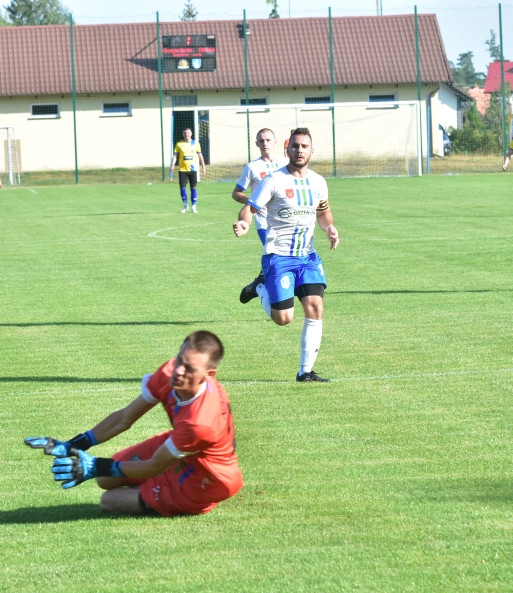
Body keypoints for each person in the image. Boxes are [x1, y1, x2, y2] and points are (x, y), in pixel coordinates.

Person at [25, 331, 242, 516]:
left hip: (207, 480)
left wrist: (94, 466)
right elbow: (124, 418)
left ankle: (187, 498)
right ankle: (154, 485)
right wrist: (74, 444)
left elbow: (154, 465)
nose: (178, 371)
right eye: (179, 360)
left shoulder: (200, 423)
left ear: (208, 375)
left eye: (189, 368)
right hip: (179, 446)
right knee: (104, 479)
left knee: (109, 500)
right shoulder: (168, 374)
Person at [233, 128, 339, 382]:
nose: (299, 151)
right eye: (295, 146)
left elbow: (323, 213)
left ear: (312, 150)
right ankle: (260, 286)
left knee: (315, 307)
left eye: (304, 146)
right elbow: (250, 208)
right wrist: (245, 224)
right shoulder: (274, 180)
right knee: (284, 318)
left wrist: (330, 228)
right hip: (279, 257)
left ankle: (305, 372)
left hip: (307, 257)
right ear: (287, 149)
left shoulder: (318, 182)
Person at [232, 128, 288, 303]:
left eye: (268, 140)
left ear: (275, 142)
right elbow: (236, 193)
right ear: (257, 144)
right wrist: (253, 199)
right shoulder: (252, 167)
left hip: (285, 221)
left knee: (282, 258)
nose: (265, 144)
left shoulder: (286, 163)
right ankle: (273, 297)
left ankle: (258, 283)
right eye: (261, 141)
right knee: (277, 258)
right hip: (263, 222)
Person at [170, 127, 206, 213]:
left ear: (191, 134)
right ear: (183, 134)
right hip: (182, 170)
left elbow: (200, 156)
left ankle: (194, 206)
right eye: (185, 133)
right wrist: (172, 165)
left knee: (193, 188)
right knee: (182, 188)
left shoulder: (196, 144)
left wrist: (203, 167)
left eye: (188, 133)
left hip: (193, 170)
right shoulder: (179, 144)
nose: (187, 134)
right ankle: (185, 205)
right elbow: (175, 156)